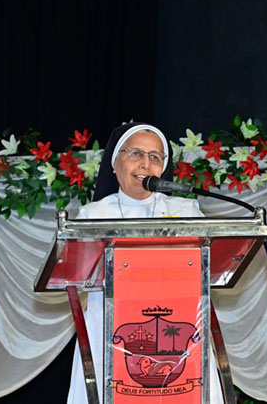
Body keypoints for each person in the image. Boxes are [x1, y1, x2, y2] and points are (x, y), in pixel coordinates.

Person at [67, 122, 224, 403]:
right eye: (136, 154)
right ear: (114, 163)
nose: (145, 164)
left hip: (179, 324)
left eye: (155, 157)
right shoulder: (93, 215)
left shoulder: (186, 211)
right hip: (109, 330)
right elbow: (78, 273)